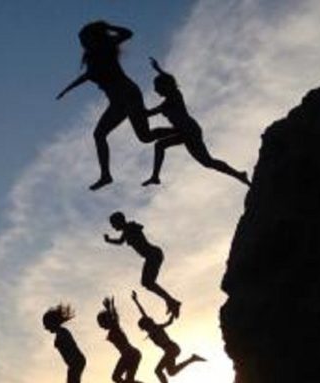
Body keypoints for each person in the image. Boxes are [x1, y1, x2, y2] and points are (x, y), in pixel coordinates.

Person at [55, 21, 175, 190]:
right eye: (81, 41)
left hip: (127, 94)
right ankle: (106, 175)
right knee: (140, 137)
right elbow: (87, 76)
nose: (82, 43)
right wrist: (67, 90)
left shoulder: (106, 47)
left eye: (84, 39)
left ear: (94, 38)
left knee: (138, 136)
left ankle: (178, 130)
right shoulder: (92, 59)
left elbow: (127, 33)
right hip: (119, 100)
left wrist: (106, 27)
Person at [142, 57, 250, 187]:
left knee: (207, 162)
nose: (155, 90)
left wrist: (159, 70)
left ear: (165, 87)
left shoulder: (174, 96)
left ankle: (239, 175)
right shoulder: (166, 103)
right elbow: (147, 114)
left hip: (189, 130)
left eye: (157, 87)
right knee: (160, 144)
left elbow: (169, 82)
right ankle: (155, 177)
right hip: (182, 131)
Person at [131, 290, 205, 383]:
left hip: (172, 349)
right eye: (143, 328)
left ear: (146, 324)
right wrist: (136, 300)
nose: (144, 329)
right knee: (171, 372)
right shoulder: (152, 330)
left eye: (143, 326)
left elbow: (160, 320)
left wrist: (170, 317)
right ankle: (192, 359)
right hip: (171, 350)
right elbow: (145, 314)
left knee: (158, 370)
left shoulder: (155, 328)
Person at [104, 211, 181, 318]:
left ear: (119, 222)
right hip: (152, 255)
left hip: (153, 254)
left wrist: (110, 240)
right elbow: (120, 242)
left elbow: (131, 233)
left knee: (147, 282)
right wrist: (109, 241)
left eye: (113, 224)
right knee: (147, 283)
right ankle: (171, 301)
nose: (112, 227)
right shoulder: (126, 231)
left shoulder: (130, 227)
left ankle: (172, 302)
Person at [96, 297, 160, 383]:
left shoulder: (114, 327)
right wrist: (110, 308)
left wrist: (109, 308)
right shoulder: (114, 327)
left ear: (106, 322)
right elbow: (115, 317)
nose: (101, 327)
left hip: (129, 354)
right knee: (129, 382)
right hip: (133, 354)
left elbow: (114, 318)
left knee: (116, 377)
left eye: (101, 324)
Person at [43, 304, 86, 383]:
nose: (45, 327)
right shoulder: (60, 333)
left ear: (53, 323)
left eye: (46, 324)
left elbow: (71, 348)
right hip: (74, 363)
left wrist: (73, 364)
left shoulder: (63, 333)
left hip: (76, 362)